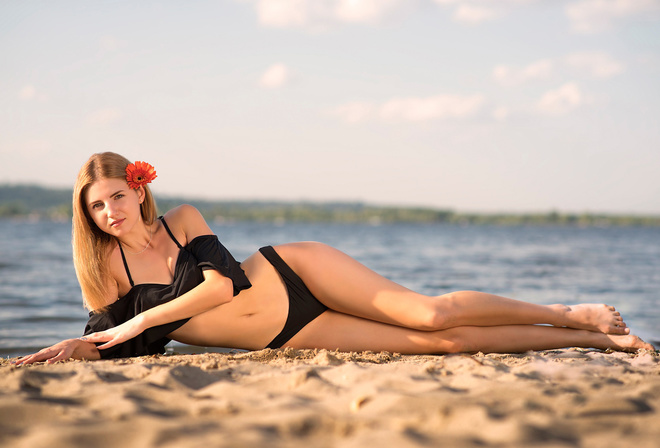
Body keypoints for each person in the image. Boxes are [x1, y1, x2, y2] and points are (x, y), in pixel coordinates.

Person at [14, 152, 654, 365]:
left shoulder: (183, 222)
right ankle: (601, 344)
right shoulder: (105, 275)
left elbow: (222, 288)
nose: (110, 214)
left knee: (431, 316)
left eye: (117, 198)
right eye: (96, 208)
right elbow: (116, 346)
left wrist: (140, 321)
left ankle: (570, 313)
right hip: (290, 335)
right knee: (448, 349)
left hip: (296, 271)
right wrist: (87, 345)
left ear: (139, 189)